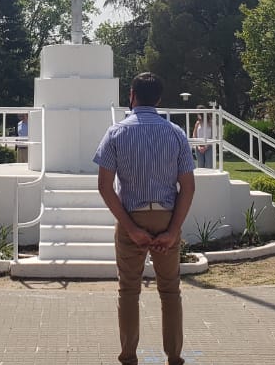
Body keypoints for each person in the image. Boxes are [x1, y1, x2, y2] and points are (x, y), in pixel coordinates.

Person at [93, 72, 195, 365]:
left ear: (132, 95)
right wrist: (173, 230)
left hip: (131, 217)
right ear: (159, 99)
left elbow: (104, 186)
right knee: (170, 291)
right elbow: (188, 187)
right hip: (166, 216)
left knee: (128, 291)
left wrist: (130, 228)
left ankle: (128, 356)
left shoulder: (116, 133)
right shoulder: (176, 133)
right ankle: (174, 357)